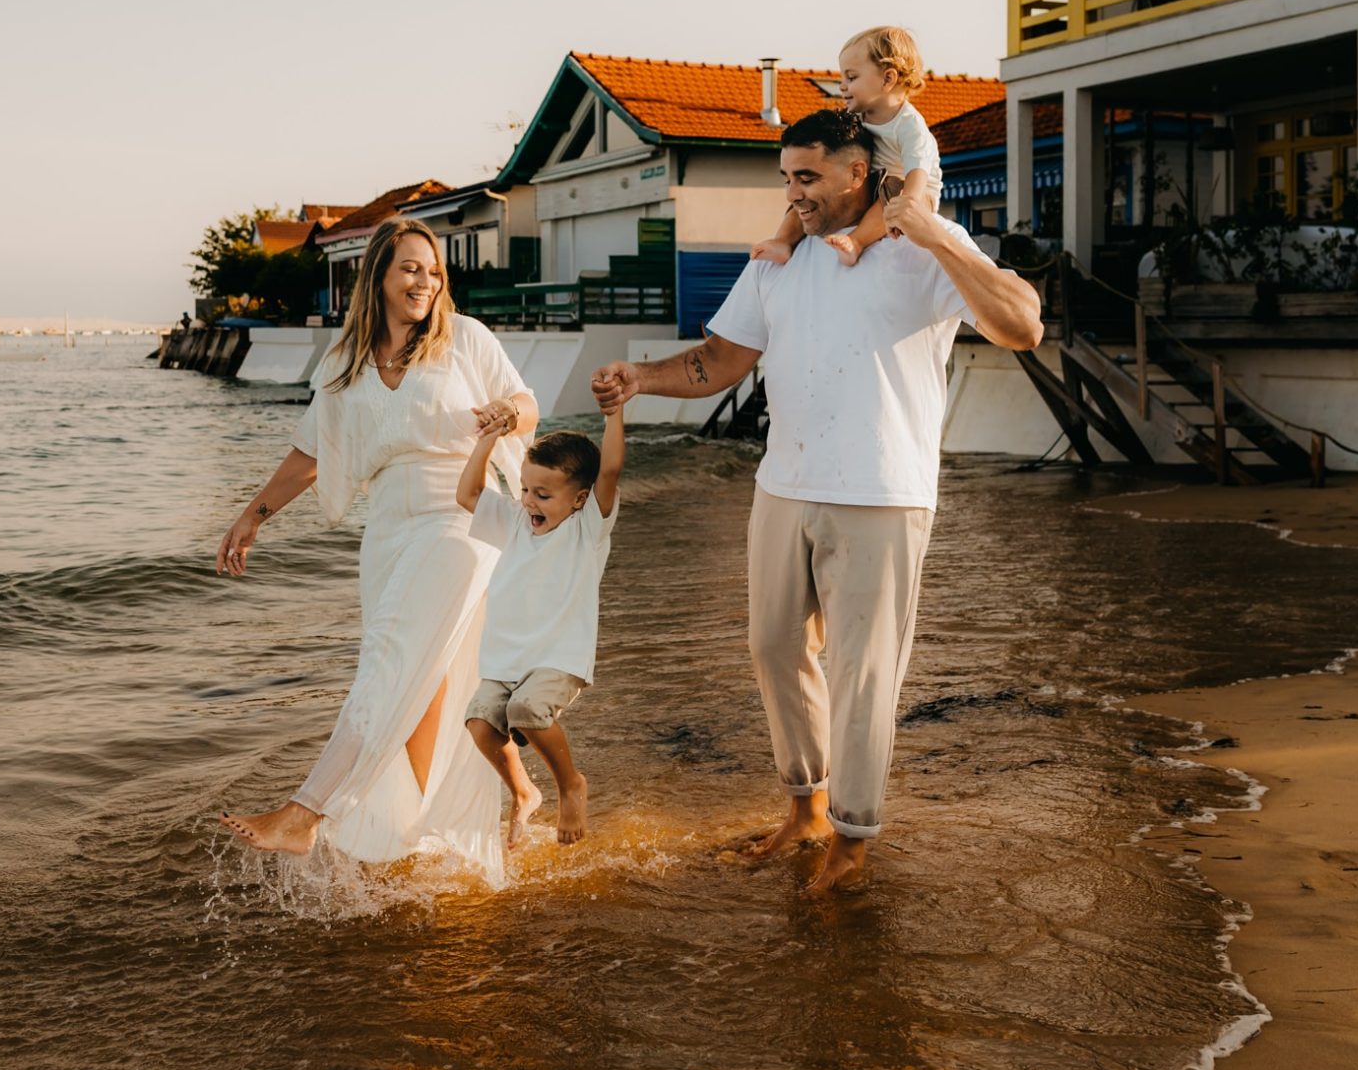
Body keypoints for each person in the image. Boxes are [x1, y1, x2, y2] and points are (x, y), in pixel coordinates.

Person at [593, 106, 1043, 897]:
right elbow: (722, 358)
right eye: (786, 178)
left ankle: (854, 837)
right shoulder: (781, 260)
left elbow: (1022, 324)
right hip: (783, 486)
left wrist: (936, 235)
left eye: (807, 176)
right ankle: (804, 808)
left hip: (881, 492)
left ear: (857, 171)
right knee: (773, 645)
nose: (792, 193)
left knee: (864, 674)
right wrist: (643, 378)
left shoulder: (922, 249)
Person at [211, 218, 539, 887]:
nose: (425, 281)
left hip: (461, 517)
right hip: (388, 531)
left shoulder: (465, 338)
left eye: (433, 270)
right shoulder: (345, 364)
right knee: (418, 686)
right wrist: (253, 515)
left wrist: (507, 412)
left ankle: (306, 810)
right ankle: (419, 830)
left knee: (391, 663)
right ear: (379, 276)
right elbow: (312, 453)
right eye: (410, 268)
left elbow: (527, 405)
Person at [454, 403, 624, 848]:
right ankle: (524, 792)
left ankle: (570, 785)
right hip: (506, 659)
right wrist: (488, 439)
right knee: (480, 722)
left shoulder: (587, 529)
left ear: (580, 498)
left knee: (527, 711)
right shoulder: (515, 520)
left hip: (558, 657)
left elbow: (609, 470)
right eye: (526, 489)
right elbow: (468, 494)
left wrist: (614, 412)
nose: (529, 500)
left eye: (543, 495)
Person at [752, 25, 943, 267]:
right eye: (842, 78)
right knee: (807, 194)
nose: (842, 85)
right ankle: (782, 241)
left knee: (894, 189)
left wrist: (910, 204)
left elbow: (918, 171)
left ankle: (856, 242)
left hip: (912, 192)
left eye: (851, 78)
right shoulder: (859, 117)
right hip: (874, 184)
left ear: (887, 79)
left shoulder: (909, 125)